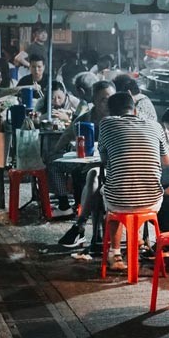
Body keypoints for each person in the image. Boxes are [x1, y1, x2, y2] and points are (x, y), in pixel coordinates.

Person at [96, 92, 169, 271]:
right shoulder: (155, 126)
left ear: (111, 112)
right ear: (135, 110)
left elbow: (104, 159)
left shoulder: (106, 124)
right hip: (152, 201)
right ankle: (136, 239)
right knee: (131, 192)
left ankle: (115, 253)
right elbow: (167, 161)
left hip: (119, 200)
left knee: (110, 194)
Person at [54, 80, 116, 244]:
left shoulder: (119, 118)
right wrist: (59, 149)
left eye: (110, 98)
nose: (107, 103)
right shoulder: (85, 120)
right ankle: (90, 231)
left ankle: (82, 227)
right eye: (102, 99)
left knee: (95, 179)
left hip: (114, 170)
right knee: (88, 176)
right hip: (90, 167)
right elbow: (66, 137)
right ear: (94, 100)